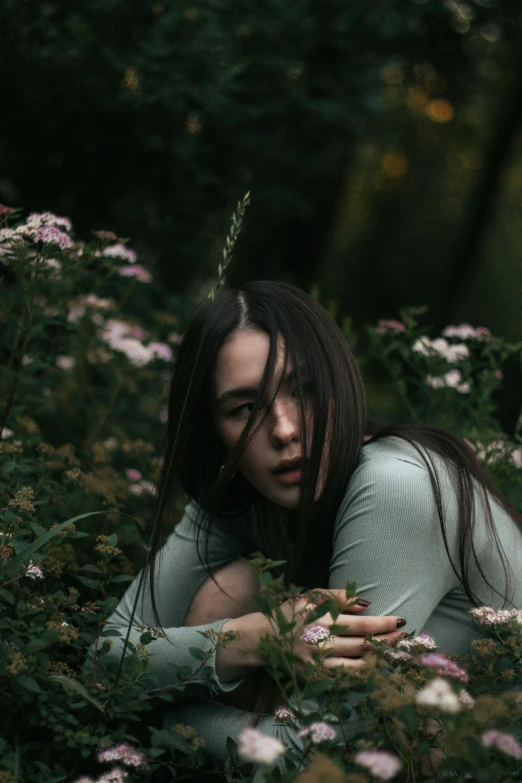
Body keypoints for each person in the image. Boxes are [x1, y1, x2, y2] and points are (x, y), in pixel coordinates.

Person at [101, 281, 522, 765]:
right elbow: (107, 657)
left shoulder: (394, 486)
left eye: (303, 390)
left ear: (338, 381)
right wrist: (255, 638)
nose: (283, 430)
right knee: (231, 587)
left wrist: (154, 720)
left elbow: (318, 754)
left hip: (487, 765)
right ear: (214, 432)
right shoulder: (244, 490)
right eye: (244, 409)